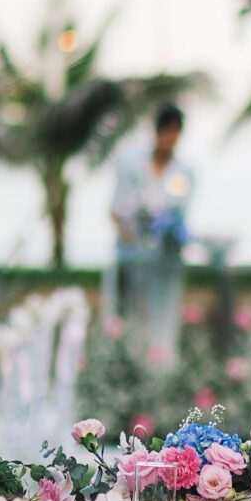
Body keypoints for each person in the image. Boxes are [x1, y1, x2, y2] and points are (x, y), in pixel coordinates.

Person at [107, 104, 195, 354]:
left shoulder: (184, 173)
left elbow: (179, 215)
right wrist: (132, 239)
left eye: (175, 134)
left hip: (165, 262)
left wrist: (170, 230)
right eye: (167, 132)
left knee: (164, 323)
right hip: (132, 258)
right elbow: (115, 210)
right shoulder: (131, 165)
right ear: (157, 132)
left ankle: (161, 367)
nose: (170, 139)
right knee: (130, 321)